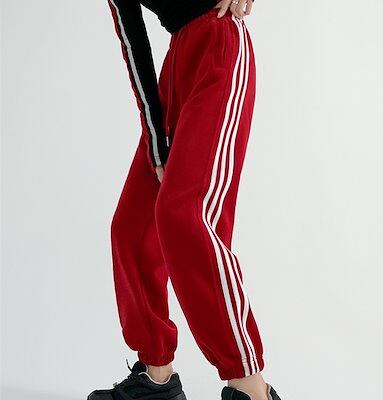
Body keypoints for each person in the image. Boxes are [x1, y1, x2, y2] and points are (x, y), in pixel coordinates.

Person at [88, 0, 281, 399]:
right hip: (177, 65)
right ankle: (157, 378)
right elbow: (132, 40)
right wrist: (156, 139)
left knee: (185, 214)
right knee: (132, 228)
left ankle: (250, 387)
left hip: (219, 43)